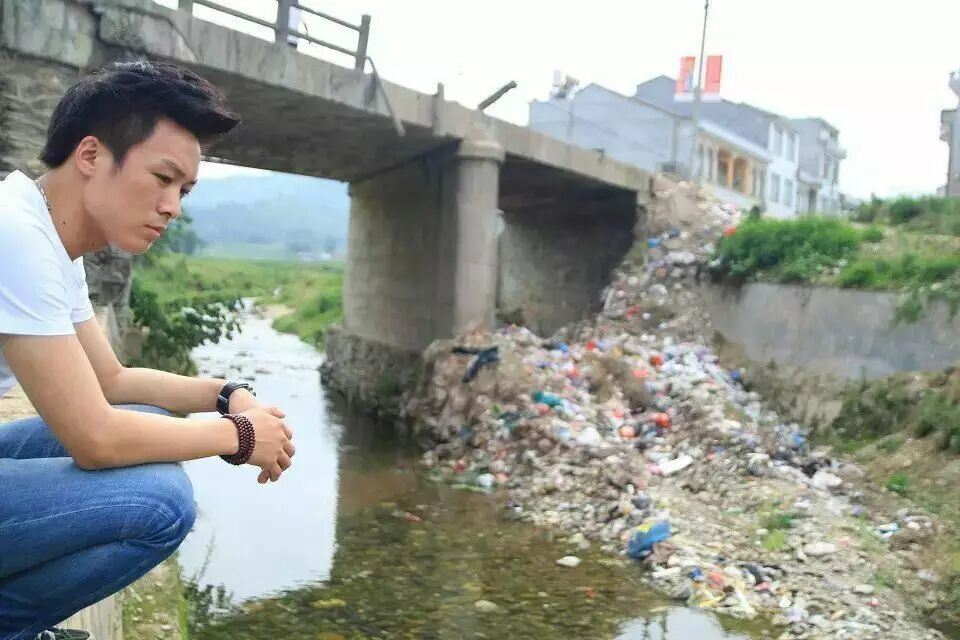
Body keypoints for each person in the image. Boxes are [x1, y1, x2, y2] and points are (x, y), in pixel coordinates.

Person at [0, 61, 296, 640]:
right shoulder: (14, 235)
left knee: (144, 417)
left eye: (183, 190)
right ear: (91, 155)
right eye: (162, 178)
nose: (172, 206)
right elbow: (96, 440)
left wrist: (226, 395)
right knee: (162, 503)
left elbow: (110, 381)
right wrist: (238, 437)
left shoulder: (45, 232)